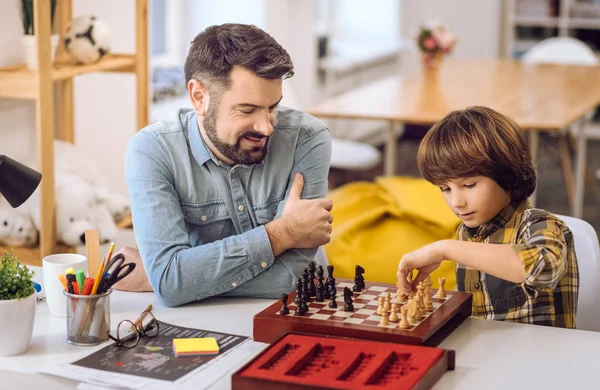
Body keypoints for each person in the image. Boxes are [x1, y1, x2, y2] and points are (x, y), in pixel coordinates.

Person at [123, 24, 333, 307]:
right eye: (247, 110)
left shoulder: (307, 139)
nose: (266, 127)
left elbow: (296, 276)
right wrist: (284, 232)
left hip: (295, 311)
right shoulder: (152, 151)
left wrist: (169, 281)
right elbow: (170, 281)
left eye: (273, 107)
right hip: (202, 321)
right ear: (199, 97)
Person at [396, 106, 579, 328]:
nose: (456, 202)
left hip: (540, 356)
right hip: (487, 352)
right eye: (445, 189)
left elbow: (544, 269)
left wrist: (445, 249)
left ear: (507, 175)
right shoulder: (468, 233)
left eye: (469, 185)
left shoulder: (540, 224)